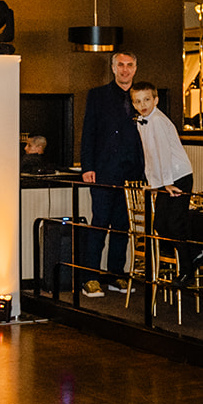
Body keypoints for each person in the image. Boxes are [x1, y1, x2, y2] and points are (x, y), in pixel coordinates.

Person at [78, 52, 144, 298]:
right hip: (104, 171)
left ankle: (117, 275)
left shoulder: (142, 97)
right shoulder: (98, 95)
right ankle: (90, 278)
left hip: (133, 172)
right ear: (113, 68)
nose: (125, 70)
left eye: (129, 65)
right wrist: (88, 167)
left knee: (122, 227)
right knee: (99, 225)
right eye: (121, 65)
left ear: (135, 68)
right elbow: (88, 133)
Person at [131, 80, 197, 274]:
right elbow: (150, 155)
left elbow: (164, 153)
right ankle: (191, 255)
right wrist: (153, 183)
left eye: (146, 100)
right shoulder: (143, 122)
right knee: (160, 224)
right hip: (166, 179)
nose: (142, 105)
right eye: (137, 101)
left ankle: (188, 266)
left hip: (178, 176)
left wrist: (166, 183)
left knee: (175, 225)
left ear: (156, 100)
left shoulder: (158, 120)